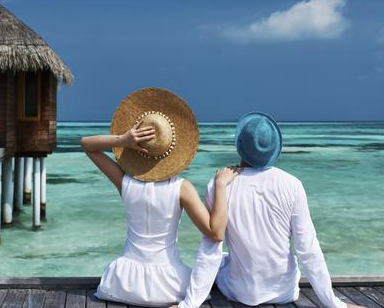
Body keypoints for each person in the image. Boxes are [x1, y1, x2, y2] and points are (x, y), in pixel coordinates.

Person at [176, 113, 363, 308]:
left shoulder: (218, 186)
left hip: (239, 293)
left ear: (239, 146)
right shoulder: (292, 185)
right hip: (284, 292)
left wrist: (189, 304)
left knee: (222, 259)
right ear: (273, 148)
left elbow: (210, 249)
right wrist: (335, 304)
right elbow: (308, 250)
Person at [80, 88, 238, 307]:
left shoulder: (125, 183)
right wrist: (220, 186)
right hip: (168, 286)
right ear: (174, 150)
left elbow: (87, 145)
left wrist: (123, 140)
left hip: (121, 284)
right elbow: (216, 232)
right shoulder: (182, 188)